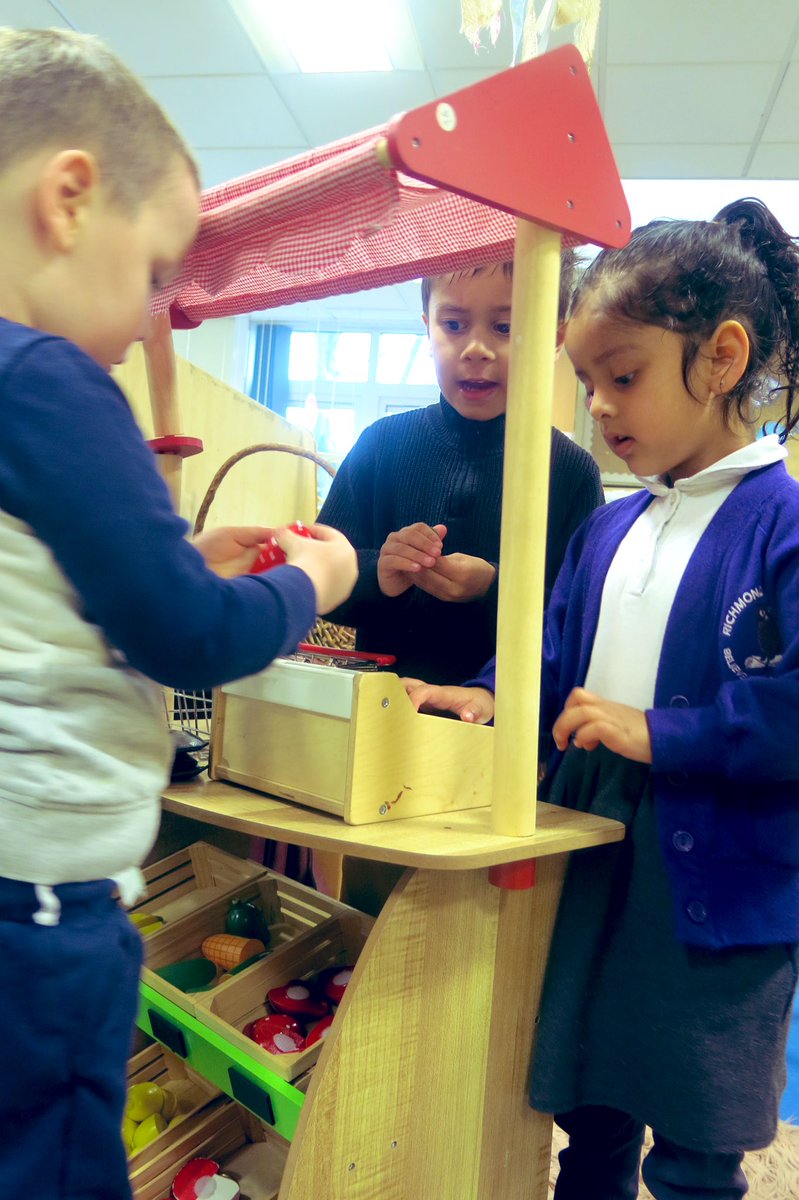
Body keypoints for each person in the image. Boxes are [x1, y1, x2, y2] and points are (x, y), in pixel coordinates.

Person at [0, 29, 356, 1200]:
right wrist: (320, 579)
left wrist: (175, 554)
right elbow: (191, 638)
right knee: (54, 1162)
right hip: (39, 908)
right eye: (158, 268)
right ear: (68, 199)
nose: (160, 313)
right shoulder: (45, 376)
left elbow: (40, 594)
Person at [405, 198, 799, 1199]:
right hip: (591, 837)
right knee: (590, 1109)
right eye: (587, 384)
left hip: (716, 876)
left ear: (720, 358)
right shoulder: (609, 529)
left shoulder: (781, 524)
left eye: (622, 377)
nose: (600, 410)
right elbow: (547, 651)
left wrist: (664, 733)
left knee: (697, 1142)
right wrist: (490, 699)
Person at [317, 254, 604, 686]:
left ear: (554, 338)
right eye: (453, 325)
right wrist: (380, 572)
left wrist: (494, 588)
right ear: (427, 330)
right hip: (384, 722)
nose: (476, 349)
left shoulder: (571, 472)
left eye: (505, 328)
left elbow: (582, 621)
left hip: (506, 731)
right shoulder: (380, 446)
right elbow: (316, 581)